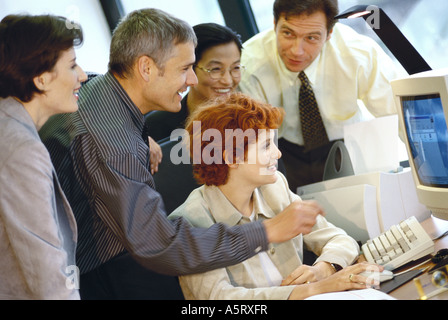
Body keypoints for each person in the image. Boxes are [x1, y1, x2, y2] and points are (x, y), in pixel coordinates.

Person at [39, 8, 326, 300]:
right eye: (185, 68)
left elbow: (92, 83)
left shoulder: (100, 92)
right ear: (146, 68)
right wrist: (266, 232)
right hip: (93, 275)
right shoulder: (113, 142)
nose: (192, 80)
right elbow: (158, 244)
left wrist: (140, 135)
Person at [168, 92, 381, 300]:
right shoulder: (189, 223)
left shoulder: (274, 187)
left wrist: (324, 269)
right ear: (231, 158)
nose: (277, 154)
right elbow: (220, 297)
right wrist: (315, 289)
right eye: (266, 146)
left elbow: (338, 238)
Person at [239, 0, 401, 192]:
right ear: (274, 24)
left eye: (312, 38)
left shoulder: (358, 54)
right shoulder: (249, 63)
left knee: (361, 205)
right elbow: (252, 141)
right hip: (284, 149)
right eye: (288, 33)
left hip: (347, 142)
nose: (296, 51)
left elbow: (398, 113)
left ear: (329, 34)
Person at [0, 14, 87, 299]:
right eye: (72, 66)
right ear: (41, 79)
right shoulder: (20, 149)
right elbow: (47, 272)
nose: (83, 76)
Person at [144, 22, 244, 143]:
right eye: (215, 69)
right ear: (189, 68)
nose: (227, 81)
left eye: (236, 68)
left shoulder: (249, 118)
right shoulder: (154, 127)